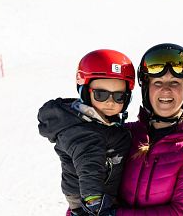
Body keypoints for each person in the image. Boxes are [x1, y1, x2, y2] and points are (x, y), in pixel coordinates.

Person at [116, 43, 183, 215]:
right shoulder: (126, 134)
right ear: (146, 88)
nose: (166, 90)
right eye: (158, 82)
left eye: (175, 82)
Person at [38, 49, 135, 216]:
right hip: (89, 198)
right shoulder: (84, 132)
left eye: (119, 96)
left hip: (101, 191)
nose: (110, 102)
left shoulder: (99, 121)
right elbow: (89, 166)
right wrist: (94, 201)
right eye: (101, 94)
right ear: (85, 91)